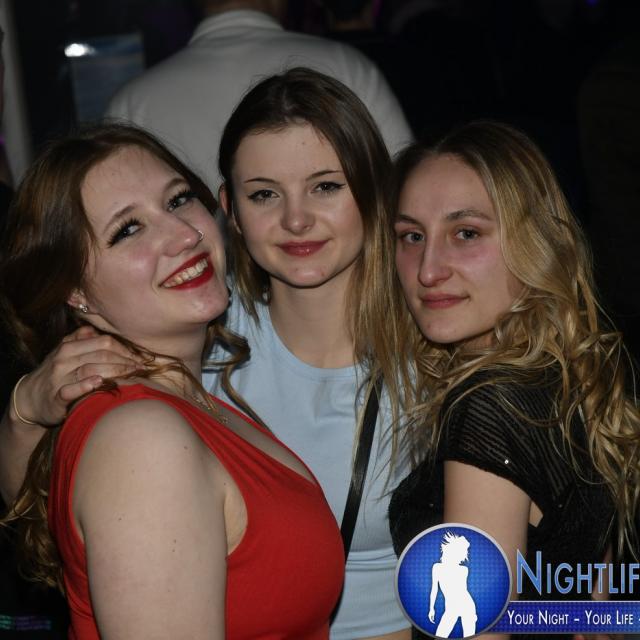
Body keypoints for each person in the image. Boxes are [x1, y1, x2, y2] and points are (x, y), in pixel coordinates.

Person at [0, 69, 412, 640]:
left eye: (177, 201)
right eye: (128, 230)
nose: (182, 234)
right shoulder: (143, 433)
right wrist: (24, 411)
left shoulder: (189, 393)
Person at [388, 121, 640, 638]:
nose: (428, 270)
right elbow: (601, 610)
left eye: (466, 233)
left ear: (536, 244)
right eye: (412, 236)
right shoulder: (568, 379)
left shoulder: (489, 406)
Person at [105, 0, 413, 191]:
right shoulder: (346, 66)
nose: (295, 222)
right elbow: (403, 190)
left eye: (325, 187)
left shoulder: (132, 101)